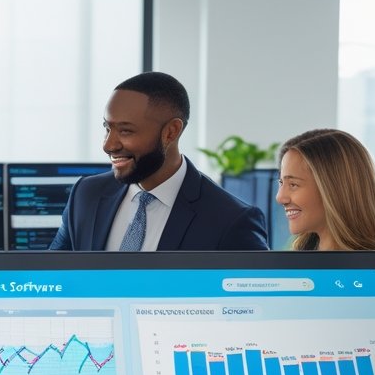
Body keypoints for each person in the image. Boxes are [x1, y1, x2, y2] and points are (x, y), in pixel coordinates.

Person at [50, 72, 268, 252]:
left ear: (171, 132)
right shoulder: (86, 194)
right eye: (108, 128)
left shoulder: (230, 220)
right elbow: (51, 281)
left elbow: (256, 300)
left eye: (125, 131)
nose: (109, 145)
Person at [275, 128, 375, 267]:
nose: (280, 197)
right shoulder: (304, 256)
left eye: (293, 184)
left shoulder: (373, 273)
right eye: (281, 182)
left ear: (333, 190)